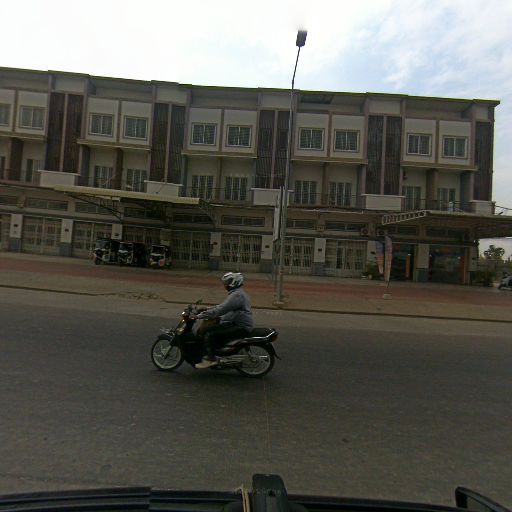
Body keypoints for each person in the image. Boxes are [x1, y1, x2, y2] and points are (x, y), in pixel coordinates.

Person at [194, 272, 253, 369]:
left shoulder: (237, 296)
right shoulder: (237, 293)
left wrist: (199, 316)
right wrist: (207, 309)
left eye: (227, 283)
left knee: (210, 333)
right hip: (236, 322)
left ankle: (211, 359)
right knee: (214, 327)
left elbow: (221, 309)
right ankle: (216, 351)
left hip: (240, 326)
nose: (225, 285)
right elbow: (223, 307)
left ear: (234, 283)